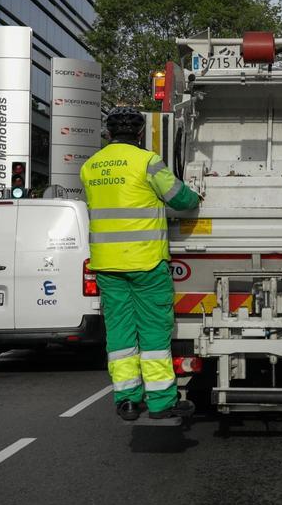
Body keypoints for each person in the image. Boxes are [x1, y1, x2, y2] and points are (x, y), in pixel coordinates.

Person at [81, 107, 201, 422]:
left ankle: (128, 400)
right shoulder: (147, 162)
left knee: (120, 334)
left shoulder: (90, 167)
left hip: (107, 265)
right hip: (146, 262)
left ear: (108, 134)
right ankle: (161, 402)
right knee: (153, 332)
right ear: (139, 134)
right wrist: (196, 198)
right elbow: (179, 197)